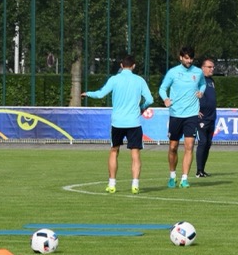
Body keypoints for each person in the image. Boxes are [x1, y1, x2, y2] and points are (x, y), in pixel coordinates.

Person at [82, 55, 153, 194]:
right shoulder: (139, 80)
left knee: (114, 151)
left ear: (121, 65)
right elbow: (150, 99)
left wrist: (88, 93)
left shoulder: (114, 79)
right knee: (135, 153)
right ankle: (135, 184)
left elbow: (101, 94)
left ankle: (112, 184)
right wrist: (142, 108)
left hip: (118, 122)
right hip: (133, 122)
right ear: (133, 66)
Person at [158, 46, 206, 189]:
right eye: (186, 58)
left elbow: (203, 84)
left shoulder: (198, 72)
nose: (189, 61)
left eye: (191, 58)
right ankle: (172, 175)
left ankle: (184, 179)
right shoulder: (173, 72)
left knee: (189, 146)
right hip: (175, 114)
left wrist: (201, 92)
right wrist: (165, 99)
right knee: (173, 147)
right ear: (180, 57)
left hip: (191, 114)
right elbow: (162, 88)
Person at [195, 58, 218, 178]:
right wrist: (195, 110)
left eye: (213, 67)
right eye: (209, 67)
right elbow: (190, 94)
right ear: (202, 68)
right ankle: (198, 171)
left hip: (211, 117)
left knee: (208, 143)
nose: (212, 69)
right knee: (202, 142)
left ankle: (202, 170)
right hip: (201, 118)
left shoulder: (211, 81)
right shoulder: (198, 80)